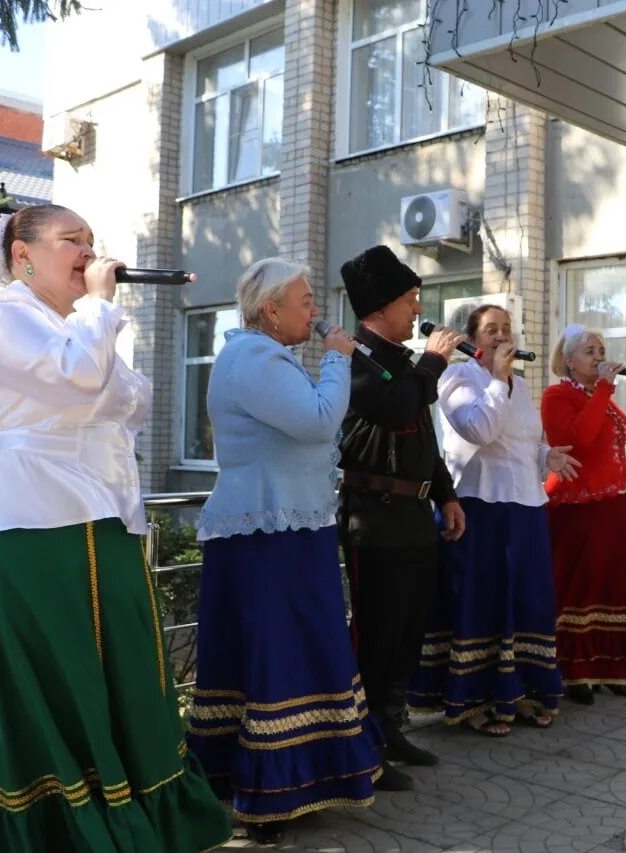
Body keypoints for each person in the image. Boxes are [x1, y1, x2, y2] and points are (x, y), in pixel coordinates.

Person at [0, 205, 230, 851]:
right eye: (71, 241)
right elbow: (76, 379)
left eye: (92, 242)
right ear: (21, 255)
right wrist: (97, 307)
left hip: (98, 526)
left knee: (118, 688)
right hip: (25, 530)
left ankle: (132, 821)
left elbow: (126, 398)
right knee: (50, 699)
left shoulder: (71, 324)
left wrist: (91, 314)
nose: (88, 253)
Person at [185, 259, 381, 845]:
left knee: (298, 651)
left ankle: (298, 783)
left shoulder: (268, 357)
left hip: (287, 529)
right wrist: (342, 358)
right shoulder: (255, 357)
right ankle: (267, 793)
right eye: (304, 301)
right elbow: (321, 423)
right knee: (279, 656)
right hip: (268, 536)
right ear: (270, 310)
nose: (315, 311)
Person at [408, 306, 576, 735]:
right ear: (472, 339)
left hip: (526, 506)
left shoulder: (519, 385)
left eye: (506, 328)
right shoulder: (458, 378)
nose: (502, 335)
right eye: (491, 329)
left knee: (525, 598)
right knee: (481, 599)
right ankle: (472, 700)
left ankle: (517, 692)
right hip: (479, 507)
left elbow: (523, 442)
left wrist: (546, 456)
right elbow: (479, 430)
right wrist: (498, 379)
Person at [337, 245, 467, 791]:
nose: (418, 310)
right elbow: (393, 407)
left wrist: (446, 494)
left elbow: (424, 438)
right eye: (411, 300)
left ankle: (390, 726)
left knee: (409, 627)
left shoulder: (401, 361)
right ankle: (362, 742)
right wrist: (435, 360)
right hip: (374, 517)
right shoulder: (356, 356)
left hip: (414, 514)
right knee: (378, 631)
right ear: (380, 307)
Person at [541, 324, 626, 705]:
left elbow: (617, 457)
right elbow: (579, 440)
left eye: (601, 350)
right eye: (590, 351)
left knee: (618, 587)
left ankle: (613, 667)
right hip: (578, 507)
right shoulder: (557, 395)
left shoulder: (601, 397)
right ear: (569, 360)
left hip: (614, 506)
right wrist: (605, 389)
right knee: (580, 588)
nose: (599, 357)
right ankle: (574, 671)